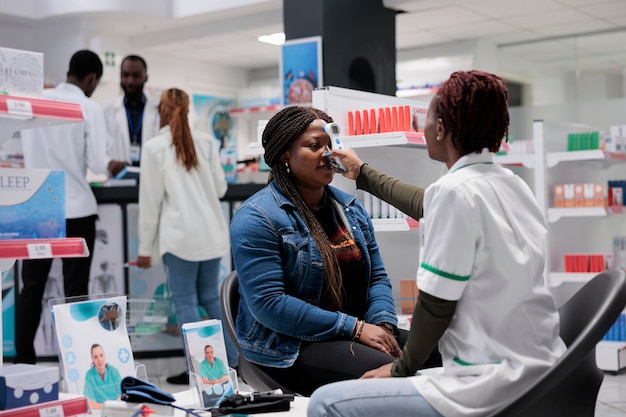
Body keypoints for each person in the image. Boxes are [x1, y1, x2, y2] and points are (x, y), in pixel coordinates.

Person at [308, 70, 567, 417]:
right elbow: (427, 202)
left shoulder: (454, 192)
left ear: (442, 128)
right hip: (544, 366)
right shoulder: (510, 183)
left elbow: (436, 305)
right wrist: (363, 172)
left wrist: (400, 369)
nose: (423, 126)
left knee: (326, 403)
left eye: (426, 118)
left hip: (490, 381)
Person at [229, 105, 440, 397]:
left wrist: (382, 326)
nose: (328, 154)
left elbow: (376, 278)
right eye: (314, 146)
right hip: (292, 346)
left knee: (442, 352)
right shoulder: (257, 217)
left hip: (353, 332)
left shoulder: (349, 209)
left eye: (330, 145)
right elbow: (270, 305)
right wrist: (355, 328)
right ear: (284, 155)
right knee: (389, 372)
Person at [16, 50, 122, 364]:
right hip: (76, 208)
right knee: (75, 290)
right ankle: (76, 362)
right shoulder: (89, 107)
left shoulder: (38, 103)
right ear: (92, 79)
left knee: (31, 287)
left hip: (37, 207)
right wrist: (113, 164)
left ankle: (24, 362)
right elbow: (98, 164)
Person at [136, 87, 238, 384]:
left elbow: (150, 203)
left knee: (185, 301)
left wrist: (145, 249)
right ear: (189, 108)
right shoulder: (206, 142)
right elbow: (220, 189)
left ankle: (196, 369)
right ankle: (233, 363)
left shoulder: (155, 147)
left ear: (161, 111)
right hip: (211, 234)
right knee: (210, 297)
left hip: (179, 239)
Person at [104, 54, 160, 167]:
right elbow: (100, 148)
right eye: (125, 75)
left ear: (146, 77)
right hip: (119, 179)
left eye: (136, 76)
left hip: (150, 177)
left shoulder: (158, 109)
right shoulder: (108, 111)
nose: (130, 81)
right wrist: (109, 163)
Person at [83, 343, 122, 408]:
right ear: (92, 359)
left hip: (116, 409)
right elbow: (89, 402)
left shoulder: (113, 371)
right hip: (98, 412)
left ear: (105, 356)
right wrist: (105, 407)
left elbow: (122, 395)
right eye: (95, 357)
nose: (99, 360)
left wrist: (113, 407)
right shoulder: (89, 375)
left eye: (101, 355)